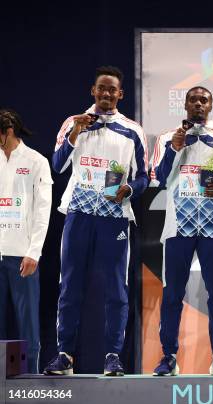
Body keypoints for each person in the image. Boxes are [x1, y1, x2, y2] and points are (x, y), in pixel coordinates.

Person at [44, 66, 149, 376]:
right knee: (70, 286)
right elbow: (57, 165)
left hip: (114, 219)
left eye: (111, 89)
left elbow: (144, 176)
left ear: (120, 94)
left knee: (117, 289)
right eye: (101, 88)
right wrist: (76, 133)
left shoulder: (133, 131)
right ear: (93, 90)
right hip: (79, 214)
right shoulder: (73, 123)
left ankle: (113, 356)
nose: (106, 93)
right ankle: (64, 356)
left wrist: (129, 189)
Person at [152, 86, 213, 376]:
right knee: (172, 294)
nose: (198, 104)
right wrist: (174, 148)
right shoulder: (168, 138)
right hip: (179, 227)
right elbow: (161, 179)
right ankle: (168, 357)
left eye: (204, 100)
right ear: (185, 104)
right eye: (193, 99)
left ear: (211, 105)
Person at [0, 109, 53, 373]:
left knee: (27, 325)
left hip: (23, 257)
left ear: (8, 132)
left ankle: (30, 379)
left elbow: (43, 210)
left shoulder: (36, 161)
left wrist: (34, 252)